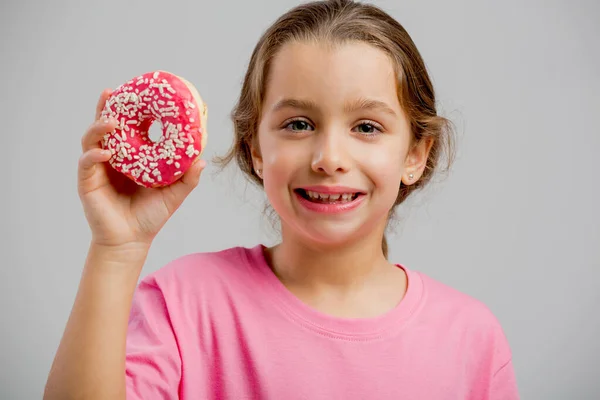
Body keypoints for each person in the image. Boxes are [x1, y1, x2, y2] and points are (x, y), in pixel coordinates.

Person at [44, 0, 519, 399]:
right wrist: (116, 250)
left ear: (415, 154)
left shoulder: (471, 340)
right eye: (298, 124)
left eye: (367, 128)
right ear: (254, 147)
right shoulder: (184, 305)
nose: (329, 158)